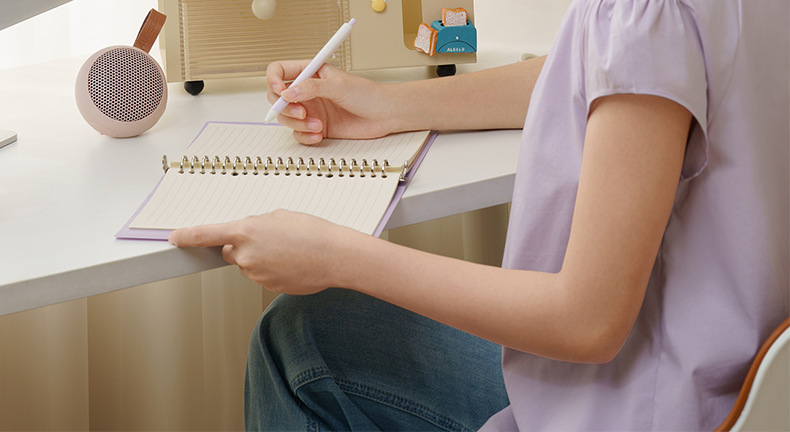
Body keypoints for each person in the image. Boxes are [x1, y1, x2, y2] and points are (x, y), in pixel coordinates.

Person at [168, 0, 789, 430]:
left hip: (652, 409)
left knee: (296, 342)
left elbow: (588, 322)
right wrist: (390, 105)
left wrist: (336, 257)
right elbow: (600, 67)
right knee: (308, 330)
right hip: (748, 383)